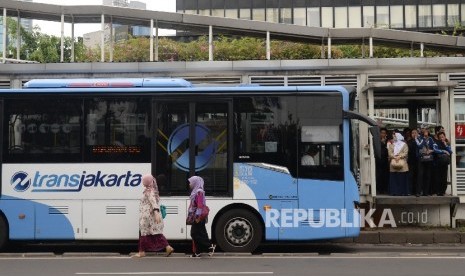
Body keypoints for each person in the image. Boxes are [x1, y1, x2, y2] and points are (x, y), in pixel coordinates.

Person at [134, 174, 174, 258]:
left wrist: (156, 212)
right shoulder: (152, 190)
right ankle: (168, 247)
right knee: (155, 233)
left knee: (144, 233)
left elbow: (153, 202)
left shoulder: (148, 191)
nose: (142, 182)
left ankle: (141, 252)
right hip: (149, 215)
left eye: (144, 180)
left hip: (147, 216)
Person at [187, 176, 216, 258]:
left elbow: (200, 206)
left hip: (198, 217)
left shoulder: (199, 192)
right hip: (197, 216)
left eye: (191, 182)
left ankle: (209, 247)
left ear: (195, 183)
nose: (189, 184)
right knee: (201, 233)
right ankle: (198, 252)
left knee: (194, 233)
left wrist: (197, 217)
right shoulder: (195, 192)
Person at [416, 128, 440, 196]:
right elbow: (419, 146)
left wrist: (431, 150)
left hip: (429, 159)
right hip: (421, 158)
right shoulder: (419, 138)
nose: (426, 132)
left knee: (427, 175)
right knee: (420, 175)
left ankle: (426, 192)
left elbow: (435, 147)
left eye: (427, 131)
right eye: (424, 130)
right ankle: (418, 192)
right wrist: (424, 138)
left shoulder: (431, 139)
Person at [434, 132, 452, 196]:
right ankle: (438, 191)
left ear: (445, 136)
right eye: (440, 137)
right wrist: (443, 151)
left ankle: (443, 191)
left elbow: (450, 151)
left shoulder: (447, 143)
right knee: (438, 177)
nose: (442, 138)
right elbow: (435, 150)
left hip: (444, 163)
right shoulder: (436, 143)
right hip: (438, 163)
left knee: (444, 177)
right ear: (438, 138)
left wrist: (446, 145)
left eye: (443, 136)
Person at [376, 128, 389, 194]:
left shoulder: (388, 141)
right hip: (378, 160)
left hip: (385, 161)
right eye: (382, 133)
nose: (383, 134)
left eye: (384, 133)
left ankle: (384, 189)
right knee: (379, 175)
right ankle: (378, 189)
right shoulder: (377, 141)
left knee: (385, 175)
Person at [407, 129, 419, 196]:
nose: (414, 134)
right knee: (411, 176)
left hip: (419, 161)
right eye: (412, 133)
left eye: (415, 133)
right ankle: (410, 191)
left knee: (417, 176)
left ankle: (417, 191)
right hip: (411, 161)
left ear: (418, 134)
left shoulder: (420, 141)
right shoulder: (409, 142)